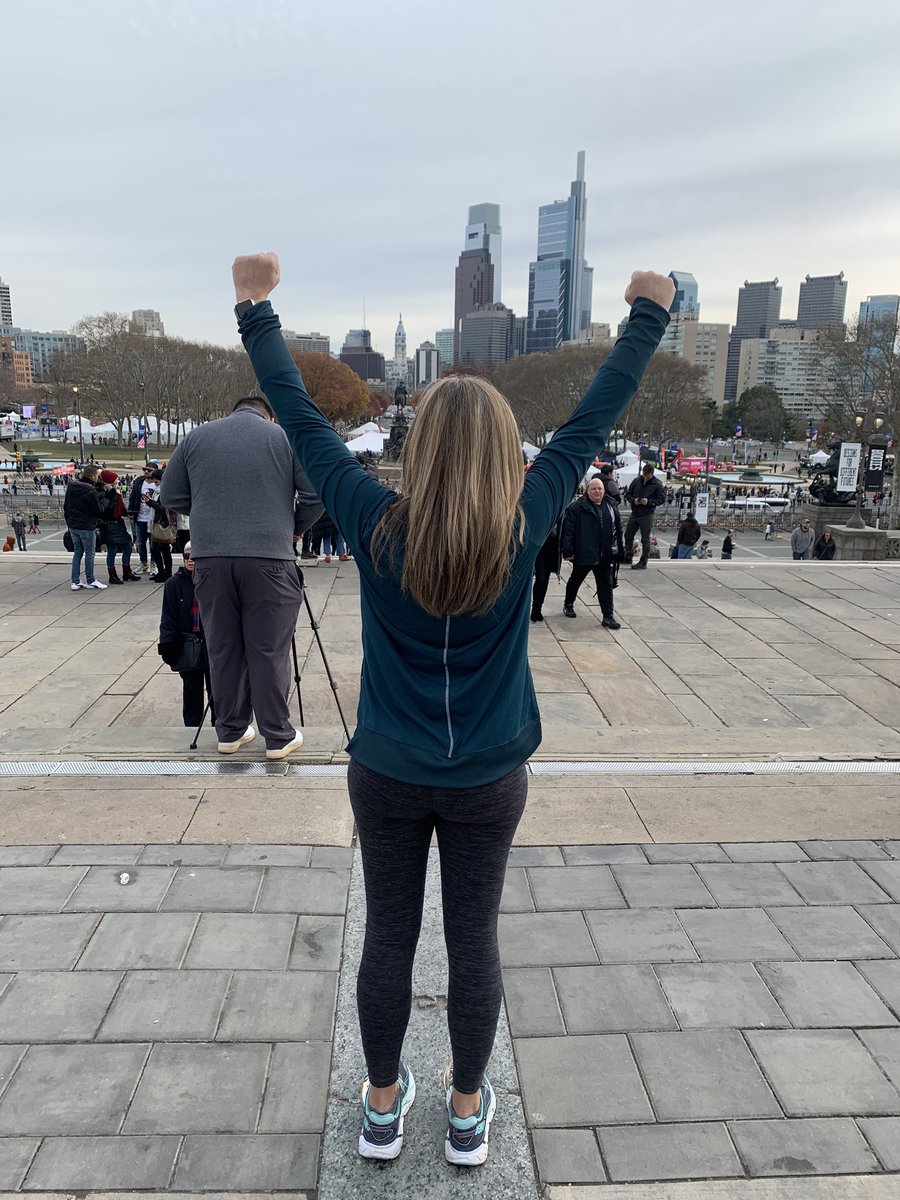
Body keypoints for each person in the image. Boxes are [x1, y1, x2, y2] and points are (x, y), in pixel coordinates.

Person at [231, 251, 673, 1166]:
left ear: (420, 447)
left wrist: (255, 308)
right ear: (503, 452)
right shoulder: (527, 519)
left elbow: (304, 420)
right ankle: (467, 1109)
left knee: (390, 935)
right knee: (474, 939)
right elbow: (593, 418)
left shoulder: (371, 518)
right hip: (488, 770)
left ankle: (382, 1106)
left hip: (388, 766)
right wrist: (646, 318)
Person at [160, 394, 322, 760]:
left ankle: (230, 731)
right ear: (269, 414)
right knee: (268, 650)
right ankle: (277, 735)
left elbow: (170, 494)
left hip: (210, 560)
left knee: (222, 647)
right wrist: (292, 527)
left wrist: (210, 513)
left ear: (232, 410)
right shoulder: (283, 438)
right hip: (270, 559)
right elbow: (315, 494)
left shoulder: (196, 437)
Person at [158, 542, 215, 727]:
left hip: (212, 644)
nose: (190, 561)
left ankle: (221, 727)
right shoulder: (174, 584)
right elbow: (168, 617)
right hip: (187, 643)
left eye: (194, 556)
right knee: (191, 691)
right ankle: (191, 728)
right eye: (186, 556)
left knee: (218, 691)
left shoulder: (213, 581)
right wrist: (167, 644)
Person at [560, 475, 623, 627]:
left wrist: (620, 550)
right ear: (587, 490)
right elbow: (568, 530)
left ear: (604, 490)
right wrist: (568, 551)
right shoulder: (577, 507)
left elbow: (618, 530)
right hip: (584, 552)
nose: (597, 491)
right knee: (576, 579)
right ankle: (568, 603)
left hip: (604, 554)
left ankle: (608, 616)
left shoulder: (611, 505)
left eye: (600, 488)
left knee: (606, 585)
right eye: (593, 488)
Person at [64, 464, 107, 590]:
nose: (98, 478)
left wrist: (69, 522)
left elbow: (66, 506)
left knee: (78, 552)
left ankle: (75, 581)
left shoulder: (72, 487)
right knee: (89, 553)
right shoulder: (90, 491)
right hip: (86, 526)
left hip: (73, 525)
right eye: (97, 476)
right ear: (93, 476)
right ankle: (91, 579)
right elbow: (98, 510)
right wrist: (106, 498)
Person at [97, 469, 141, 583]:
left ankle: (126, 571)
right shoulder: (103, 493)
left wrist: (127, 513)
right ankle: (112, 575)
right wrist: (115, 496)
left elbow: (119, 509)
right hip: (109, 525)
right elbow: (108, 510)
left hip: (118, 524)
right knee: (112, 550)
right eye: (115, 482)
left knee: (127, 547)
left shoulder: (114, 492)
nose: (118, 484)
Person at [624, 462, 666, 569]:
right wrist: (634, 500)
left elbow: (661, 499)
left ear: (652, 473)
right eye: (644, 474)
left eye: (647, 475)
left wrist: (649, 502)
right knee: (628, 534)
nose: (645, 477)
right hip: (635, 512)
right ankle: (628, 556)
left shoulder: (657, 484)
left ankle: (643, 562)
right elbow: (628, 494)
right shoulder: (637, 481)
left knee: (645, 539)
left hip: (647, 514)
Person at [530, 517, 562, 622]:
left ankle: (537, 608)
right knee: (541, 579)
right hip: (537, 546)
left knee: (544, 579)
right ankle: (533, 609)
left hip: (551, 548)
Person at [145, 470, 175, 582]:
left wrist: (151, 502)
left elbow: (164, 509)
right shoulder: (156, 491)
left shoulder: (165, 491)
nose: (154, 483)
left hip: (162, 524)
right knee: (154, 549)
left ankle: (167, 573)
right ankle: (161, 571)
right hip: (156, 523)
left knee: (164, 550)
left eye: (157, 481)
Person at [127, 465, 156, 573]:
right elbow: (132, 498)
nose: (146, 472)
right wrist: (131, 511)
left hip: (153, 518)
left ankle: (154, 563)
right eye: (144, 470)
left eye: (149, 470)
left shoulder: (158, 483)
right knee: (141, 542)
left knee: (154, 543)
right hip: (140, 517)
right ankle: (143, 564)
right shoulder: (139, 482)